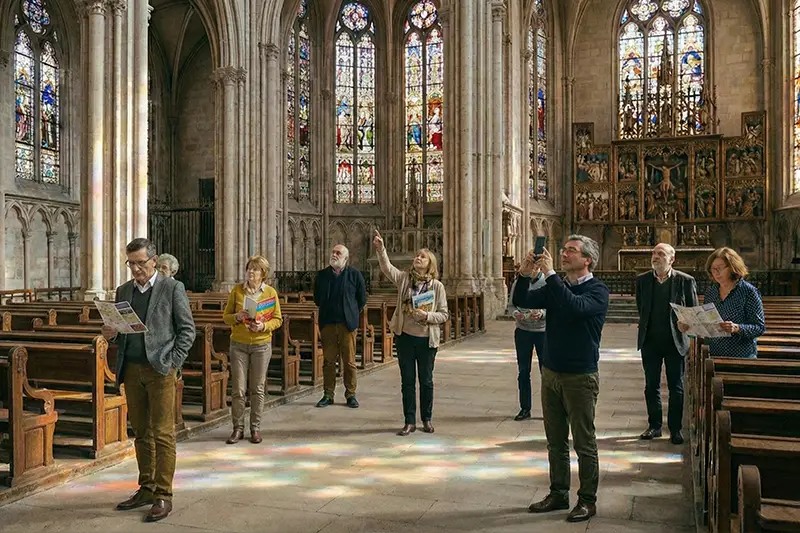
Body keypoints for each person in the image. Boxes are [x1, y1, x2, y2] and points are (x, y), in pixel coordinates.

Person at [513, 235, 609, 523]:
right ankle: (558, 493)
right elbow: (523, 300)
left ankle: (587, 500)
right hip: (551, 373)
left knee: (584, 441)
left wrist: (551, 275)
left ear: (587, 259)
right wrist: (523, 274)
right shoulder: (558, 287)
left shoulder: (598, 291)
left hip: (580, 376)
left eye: (571, 251)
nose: (564, 254)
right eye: (564, 249)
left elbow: (574, 308)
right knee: (555, 441)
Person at [101, 238, 195, 522]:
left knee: (163, 433)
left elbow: (187, 331)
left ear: (154, 261)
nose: (136, 269)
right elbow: (120, 328)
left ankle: (163, 495)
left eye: (141, 263)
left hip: (160, 370)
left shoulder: (172, 288)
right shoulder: (124, 290)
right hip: (131, 368)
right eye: (131, 263)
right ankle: (146, 488)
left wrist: (172, 363)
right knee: (141, 432)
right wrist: (111, 333)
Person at [373, 230, 449, 436]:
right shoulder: (405, 279)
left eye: (422, 256)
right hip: (405, 337)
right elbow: (387, 268)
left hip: (426, 340)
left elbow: (443, 315)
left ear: (430, 264)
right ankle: (409, 421)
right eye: (417, 255)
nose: (418, 258)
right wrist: (381, 249)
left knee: (426, 381)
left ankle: (426, 418)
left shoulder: (437, 287)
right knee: (407, 380)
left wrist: (426, 317)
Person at [635, 243, 698, 445]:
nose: (655, 257)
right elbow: (641, 307)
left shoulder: (685, 281)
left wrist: (686, 324)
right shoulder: (642, 280)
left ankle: (675, 429)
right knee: (650, 386)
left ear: (672, 259)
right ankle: (654, 426)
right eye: (654, 253)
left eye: (660, 254)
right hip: (650, 341)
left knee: (676, 387)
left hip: (675, 342)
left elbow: (693, 312)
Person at [222, 255, 283, 445]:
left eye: (255, 269)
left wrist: (263, 326)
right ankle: (237, 428)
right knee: (238, 389)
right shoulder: (237, 291)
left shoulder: (270, 293)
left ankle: (255, 428)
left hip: (261, 344)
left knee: (257, 388)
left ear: (263, 273)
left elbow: (278, 319)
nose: (251, 272)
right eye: (249, 268)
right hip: (239, 344)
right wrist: (238, 317)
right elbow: (226, 317)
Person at [678, 247, 765, 358]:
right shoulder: (711, 292)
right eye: (713, 269)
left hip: (741, 355)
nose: (716, 272)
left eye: (719, 268)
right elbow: (706, 327)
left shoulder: (749, 292)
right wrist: (689, 327)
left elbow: (759, 327)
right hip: (712, 355)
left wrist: (737, 328)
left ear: (733, 267)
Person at [313, 244, 367, 408]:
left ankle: (351, 394)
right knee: (328, 361)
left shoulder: (354, 275)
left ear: (345, 258)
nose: (334, 255)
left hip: (347, 324)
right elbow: (317, 298)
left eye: (338, 253)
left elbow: (362, 299)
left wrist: (351, 312)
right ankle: (328, 394)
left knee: (349, 361)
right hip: (328, 323)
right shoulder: (322, 275)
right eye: (333, 252)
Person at [505, 272, 546, 421]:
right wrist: (516, 313)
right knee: (523, 371)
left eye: (535, 265)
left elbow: (556, 305)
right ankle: (525, 408)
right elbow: (510, 305)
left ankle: (549, 410)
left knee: (546, 372)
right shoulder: (519, 283)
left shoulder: (547, 281)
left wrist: (542, 313)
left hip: (543, 332)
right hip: (523, 331)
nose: (533, 268)